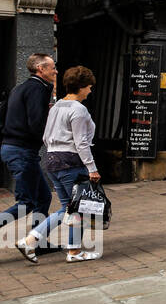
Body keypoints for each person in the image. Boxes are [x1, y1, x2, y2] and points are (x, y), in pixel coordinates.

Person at [17, 67, 101, 264]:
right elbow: (81, 143)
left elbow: (46, 137)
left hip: (52, 160)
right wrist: (92, 168)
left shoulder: (56, 107)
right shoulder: (78, 109)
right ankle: (40, 242)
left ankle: (64, 248)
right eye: (89, 87)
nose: (90, 91)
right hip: (71, 162)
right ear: (81, 87)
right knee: (77, 208)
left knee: (68, 208)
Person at [2, 53, 56, 250]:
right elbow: (36, 123)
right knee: (26, 203)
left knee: (43, 197)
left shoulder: (21, 87)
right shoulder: (37, 89)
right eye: (52, 67)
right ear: (41, 69)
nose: (56, 71)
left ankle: (37, 243)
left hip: (16, 149)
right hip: (21, 151)